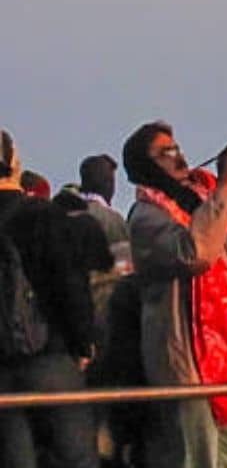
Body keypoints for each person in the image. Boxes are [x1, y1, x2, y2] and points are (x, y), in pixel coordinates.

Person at [123, 122, 227, 468]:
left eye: (177, 148)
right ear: (144, 165)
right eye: (166, 152)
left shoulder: (202, 200)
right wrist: (226, 183)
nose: (179, 157)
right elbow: (197, 252)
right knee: (198, 458)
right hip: (188, 363)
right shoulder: (146, 216)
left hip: (223, 357)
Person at [0, 129, 99, 468]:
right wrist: (84, 342)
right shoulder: (41, 215)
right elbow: (69, 283)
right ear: (13, 162)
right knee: (75, 457)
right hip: (51, 356)